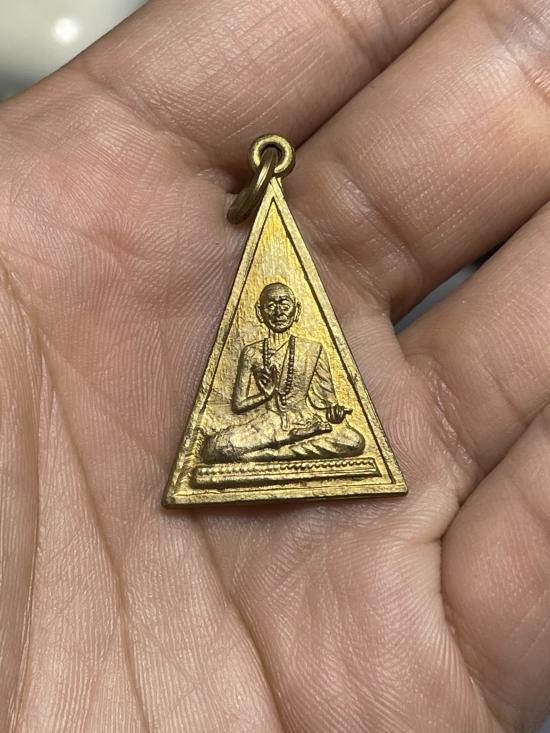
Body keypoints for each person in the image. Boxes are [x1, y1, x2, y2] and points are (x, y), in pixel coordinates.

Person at [2, 0, 550, 731]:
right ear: (270, 308)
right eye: (280, 307)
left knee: (339, 432)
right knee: (237, 440)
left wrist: (322, 411)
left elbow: (323, 400)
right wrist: (267, 397)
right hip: (257, 434)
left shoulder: (304, 344)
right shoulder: (258, 344)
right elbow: (245, 403)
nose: (286, 314)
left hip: (304, 434)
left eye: (290, 307)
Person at [202, 282, 364, 462]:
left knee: (354, 441)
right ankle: (286, 444)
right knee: (215, 448)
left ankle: (269, 454)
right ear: (259, 312)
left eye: (285, 306)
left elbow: (326, 405)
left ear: (297, 310)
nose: (279, 313)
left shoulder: (313, 349)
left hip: (305, 421)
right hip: (269, 424)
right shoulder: (251, 352)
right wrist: (265, 395)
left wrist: (335, 413)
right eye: (271, 306)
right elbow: (238, 405)